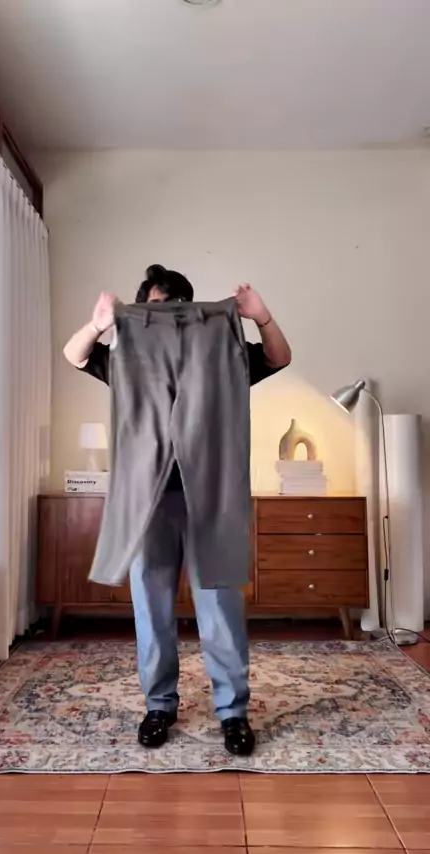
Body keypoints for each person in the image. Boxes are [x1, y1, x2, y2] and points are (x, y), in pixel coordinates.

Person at [64, 265, 291, 756]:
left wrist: (260, 316)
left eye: (173, 309)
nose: (163, 318)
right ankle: (159, 706)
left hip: (212, 497)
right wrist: (100, 323)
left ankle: (233, 713)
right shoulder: (128, 359)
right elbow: (75, 355)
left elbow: (278, 358)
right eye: (153, 310)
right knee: (151, 606)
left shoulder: (219, 355)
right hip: (149, 500)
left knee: (220, 605)